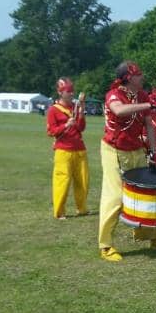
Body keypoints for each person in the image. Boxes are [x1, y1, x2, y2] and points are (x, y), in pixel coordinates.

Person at [98, 61, 156, 261]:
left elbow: (148, 124)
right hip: (114, 150)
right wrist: (150, 104)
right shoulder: (114, 94)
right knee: (114, 197)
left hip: (136, 149)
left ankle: (151, 237)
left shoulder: (142, 95)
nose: (142, 77)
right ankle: (105, 245)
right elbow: (119, 110)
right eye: (139, 74)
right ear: (128, 78)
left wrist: (155, 151)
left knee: (146, 193)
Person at [45, 77, 88, 219]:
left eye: (72, 90)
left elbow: (81, 128)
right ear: (60, 92)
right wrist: (65, 125)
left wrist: (81, 112)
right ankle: (59, 212)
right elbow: (51, 131)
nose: (71, 93)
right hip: (63, 150)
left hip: (79, 148)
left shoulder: (75, 108)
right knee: (62, 182)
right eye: (68, 91)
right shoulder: (53, 110)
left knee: (83, 181)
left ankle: (82, 209)